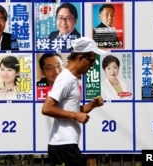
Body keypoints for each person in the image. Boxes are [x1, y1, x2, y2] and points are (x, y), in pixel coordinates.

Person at [42, 37, 106, 166]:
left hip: (66, 145)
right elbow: (47, 108)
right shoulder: (65, 79)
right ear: (81, 58)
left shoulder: (71, 78)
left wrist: (92, 105)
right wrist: (75, 115)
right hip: (63, 146)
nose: (92, 65)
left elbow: (74, 111)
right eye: (92, 60)